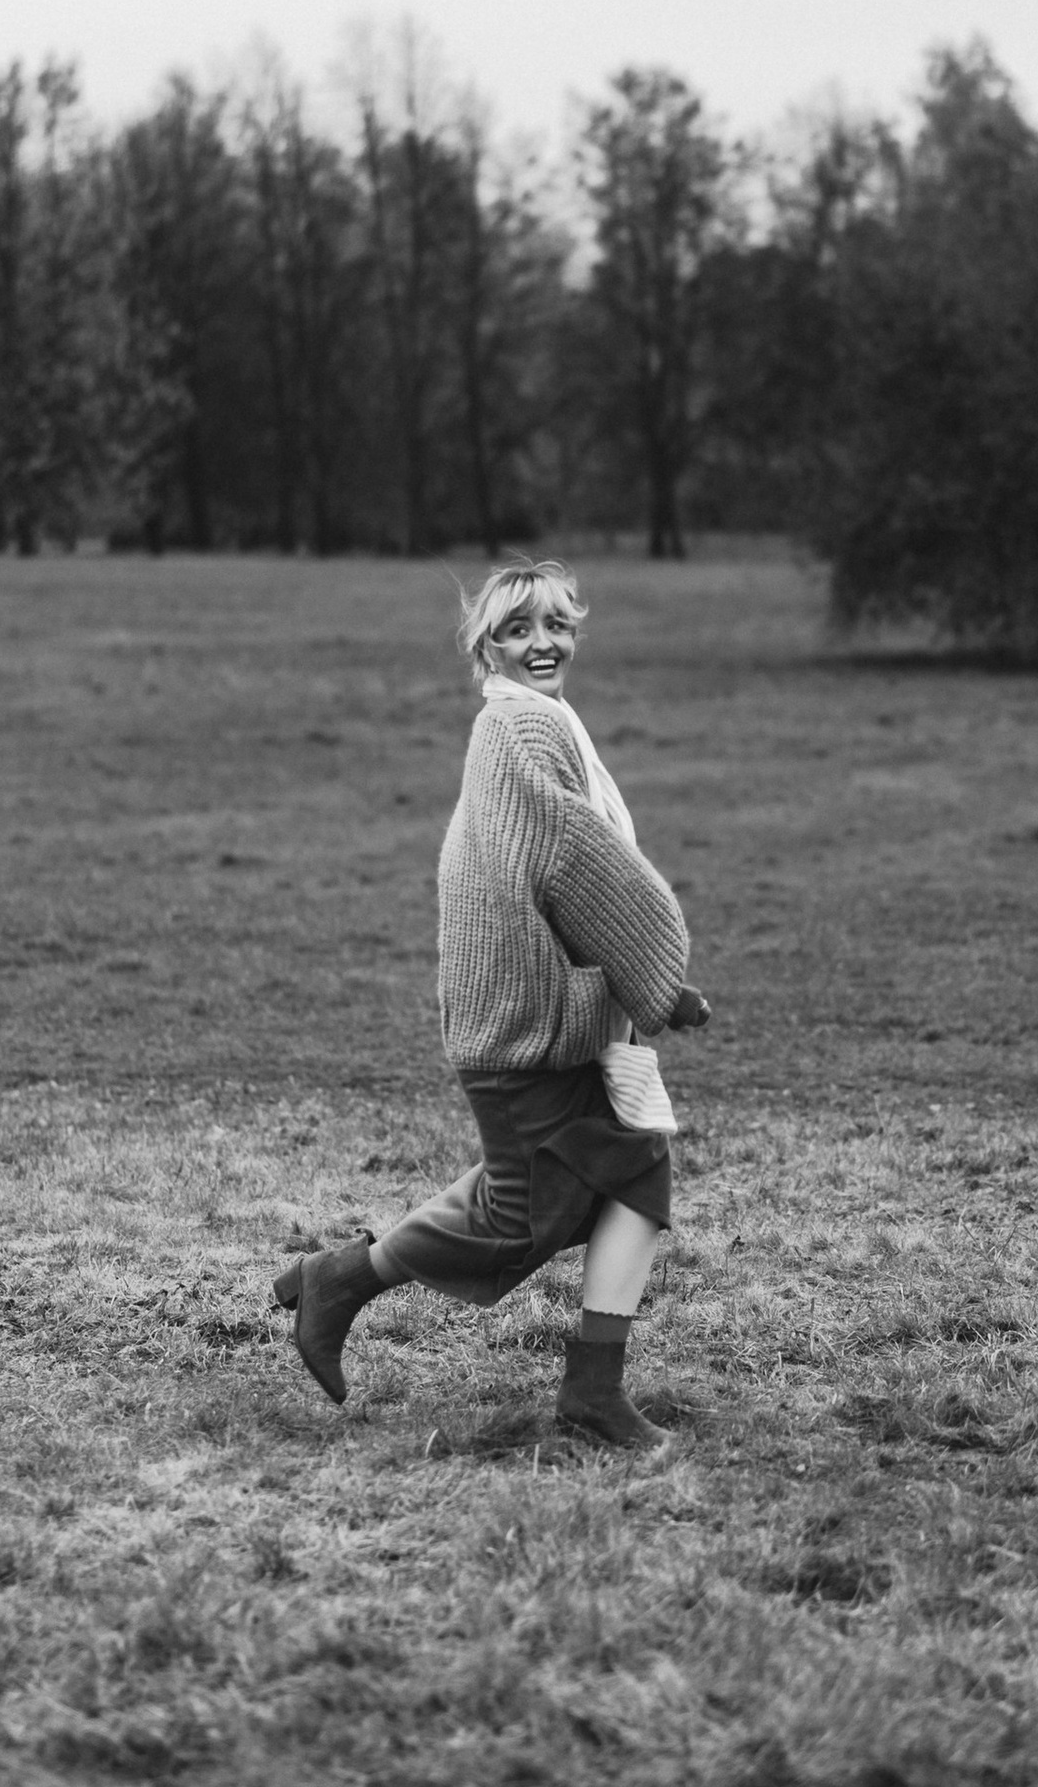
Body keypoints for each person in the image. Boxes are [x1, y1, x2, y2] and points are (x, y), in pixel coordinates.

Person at [272, 556, 712, 1453]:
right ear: (487, 644)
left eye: (555, 624)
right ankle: (337, 1280)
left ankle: (593, 1391)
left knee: (632, 1176)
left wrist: (645, 982)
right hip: (520, 1034)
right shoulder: (517, 732)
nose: (540, 643)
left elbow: (567, 875)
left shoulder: (542, 721)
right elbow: (577, 866)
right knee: (518, 1218)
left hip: (556, 1027)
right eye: (517, 630)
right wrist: (656, 975)